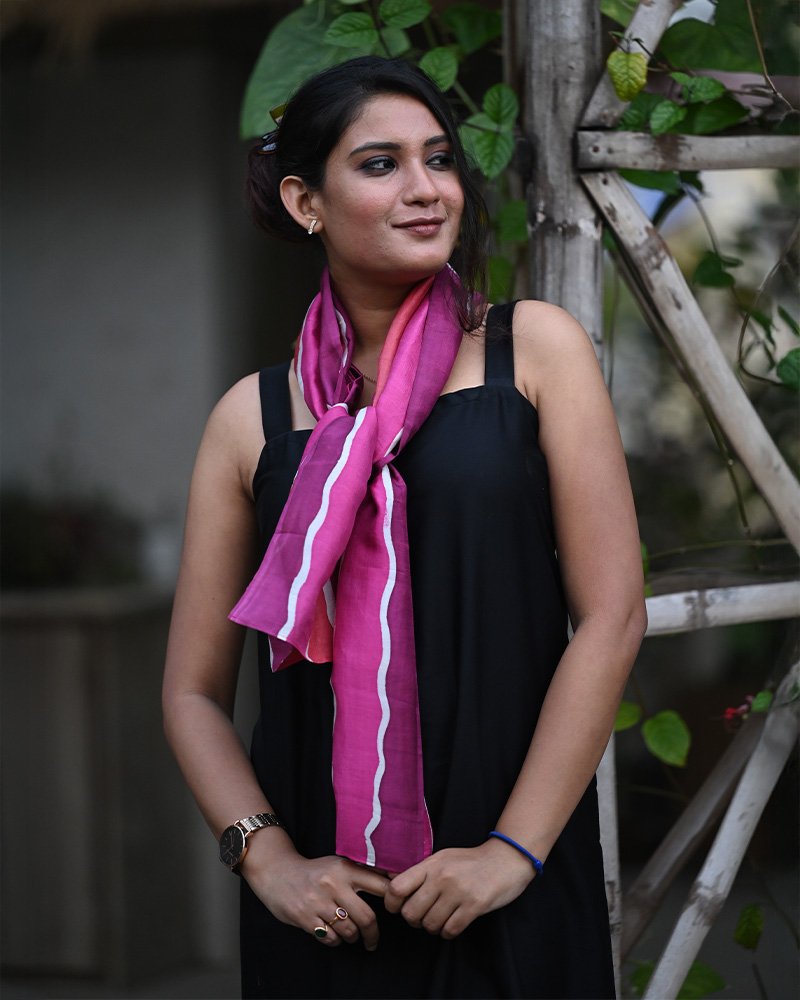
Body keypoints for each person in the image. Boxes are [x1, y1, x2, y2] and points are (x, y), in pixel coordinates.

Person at [162, 55, 646, 1000]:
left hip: (510, 878)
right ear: (305, 202)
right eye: (381, 164)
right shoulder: (251, 420)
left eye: (440, 159)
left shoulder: (533, 352)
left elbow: (613, 616)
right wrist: (269, 861)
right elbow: (191, 692)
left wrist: (511, 852)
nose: (427, 189)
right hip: (330, 909)